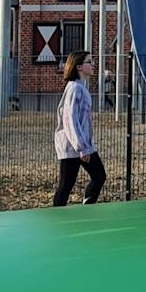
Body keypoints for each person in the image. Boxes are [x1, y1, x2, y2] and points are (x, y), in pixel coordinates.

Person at [51, 51, 106, 207]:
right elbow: (70, 120)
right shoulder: (75, 88)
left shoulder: (80, 88)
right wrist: (82, 147)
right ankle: (57, 216)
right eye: (90, 61)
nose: (93, 64)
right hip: (73, 146)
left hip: (82, 146)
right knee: (66, 185)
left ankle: (86, 207)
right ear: (79, 66)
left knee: (97, 176)